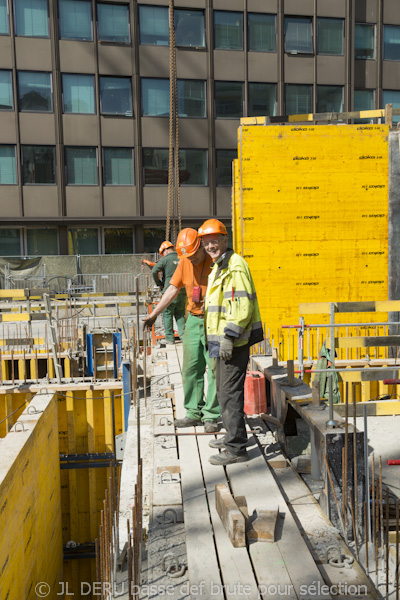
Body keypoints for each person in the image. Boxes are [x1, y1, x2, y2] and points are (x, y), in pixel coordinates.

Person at [198, 219, 264, 465]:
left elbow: (242, 307)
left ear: (225, 240)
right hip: (220, 343)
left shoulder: (234, 266)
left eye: (214, 241)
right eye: (207, 242)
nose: (210, 246)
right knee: (224, 393)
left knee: (229, 395)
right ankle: (231, 436)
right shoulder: (219, 265)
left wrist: (228, 337)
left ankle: (236, 448)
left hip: (231, 344)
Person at [143, 228, 220, 433]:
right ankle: (194, 412)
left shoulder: (217, 261)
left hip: (214, 321)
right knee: (190, 367)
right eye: (188, 256)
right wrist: (154, 314)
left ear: (202, 246)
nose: (192, 260)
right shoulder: (184, 261)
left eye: (195, 255)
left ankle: (212, 415)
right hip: (194, 320)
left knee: (214, 368)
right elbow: (172, 289)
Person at [151, 241, 186, 344]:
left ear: (165, 250)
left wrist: (159, 283)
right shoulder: (182, 258)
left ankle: (169, 338)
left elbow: (154, 271)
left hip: (169, 290)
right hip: (182, 289)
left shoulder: (165, 260)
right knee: (180, 314)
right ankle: (183, 336)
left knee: (167, 313)